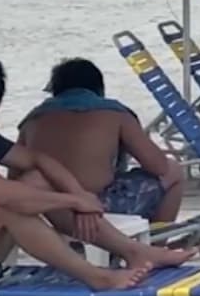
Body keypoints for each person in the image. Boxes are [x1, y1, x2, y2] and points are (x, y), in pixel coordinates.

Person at [0, 51, 196, 293]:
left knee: (30, 180)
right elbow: (2, 194)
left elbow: (39, 161)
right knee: (0, 207)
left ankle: (135, 252)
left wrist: (78, 195)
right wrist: (70, 202)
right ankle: (98, 276)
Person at [16, 58, 184, 224]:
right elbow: (159, 166)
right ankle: (156, 245)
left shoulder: (32, 120)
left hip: (50, 209)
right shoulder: (115, 112)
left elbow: (14, 178)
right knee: (174, 170)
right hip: (99, 205)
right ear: (99, 87)